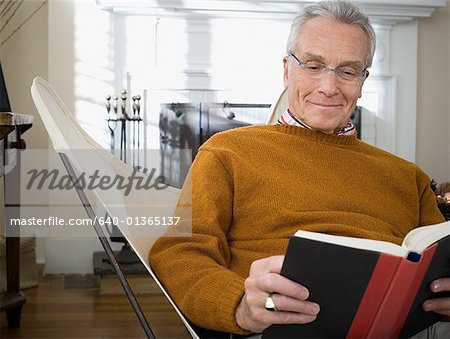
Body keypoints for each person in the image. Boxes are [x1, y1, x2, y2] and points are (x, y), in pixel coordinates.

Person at [150, 0, 449, 336]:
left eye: (348, 71)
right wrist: (239, 307)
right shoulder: (228, 152)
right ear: (286, 69)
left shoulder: (408, 176)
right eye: (313, 65)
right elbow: (179, 252)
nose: (329, 86)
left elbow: (440, 256)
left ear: (362, 81)